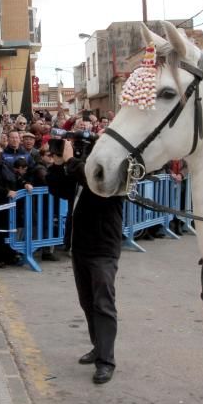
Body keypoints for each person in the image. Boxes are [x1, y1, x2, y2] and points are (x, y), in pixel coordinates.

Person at [46, 137, 123, 384]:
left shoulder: (109, 171)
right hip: (81, 247)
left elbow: (94, 184)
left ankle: (106, 361)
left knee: (103, 304)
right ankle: (98, 347)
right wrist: (59, 164)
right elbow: (57, 189)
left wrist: (71, 161)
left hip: (103, 248)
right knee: (88, 302)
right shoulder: (79, 171)